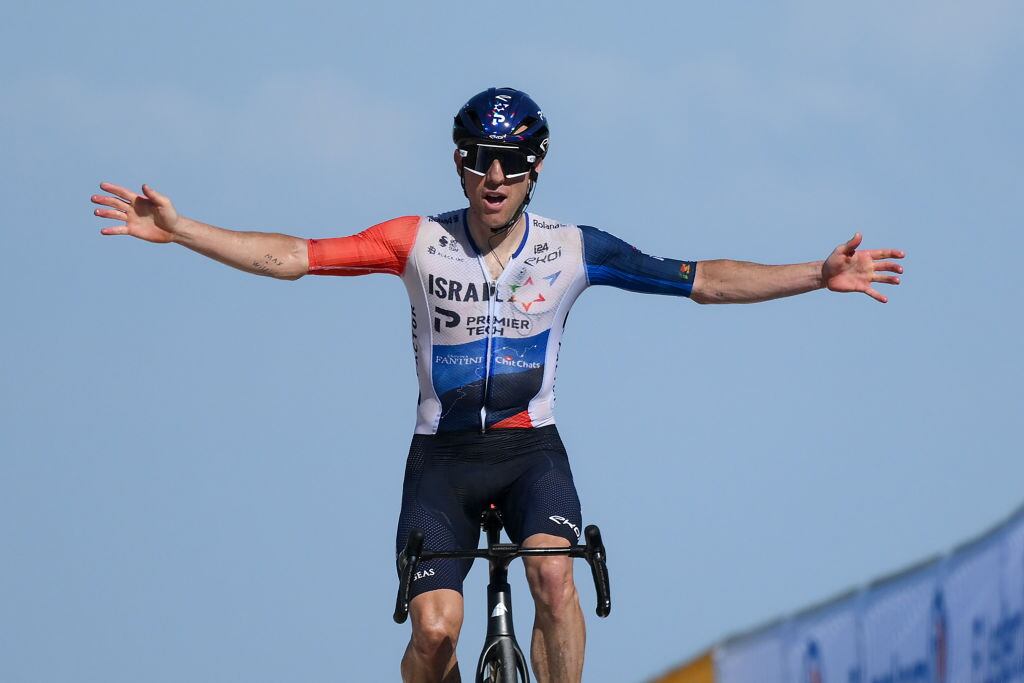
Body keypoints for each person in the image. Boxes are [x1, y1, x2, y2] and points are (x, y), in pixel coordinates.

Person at [92, 87, 905, 683]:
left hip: (529, 455)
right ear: (459, 161)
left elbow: (701, 279)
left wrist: (815, 273)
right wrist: (182, 228)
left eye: (512, 161)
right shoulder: (414, 241)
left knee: (556, 575)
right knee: (437, 634)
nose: (494, 173)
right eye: (480, 158)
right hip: (441, 461)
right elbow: (296, 256)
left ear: (535, 167)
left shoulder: (572, 247)